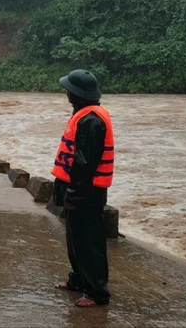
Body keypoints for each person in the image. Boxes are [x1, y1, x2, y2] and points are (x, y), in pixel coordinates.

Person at [50, 69, 114, 307]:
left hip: (86, 190)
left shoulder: (91, 120)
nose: (66, 93)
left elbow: (85, 162)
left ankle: (97, 291)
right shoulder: (84, 114)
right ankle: (78, 280)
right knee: (75, 239)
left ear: (77, 94)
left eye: (69, 90)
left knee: (89, 241)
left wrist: (74, 192)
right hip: (77, 187)